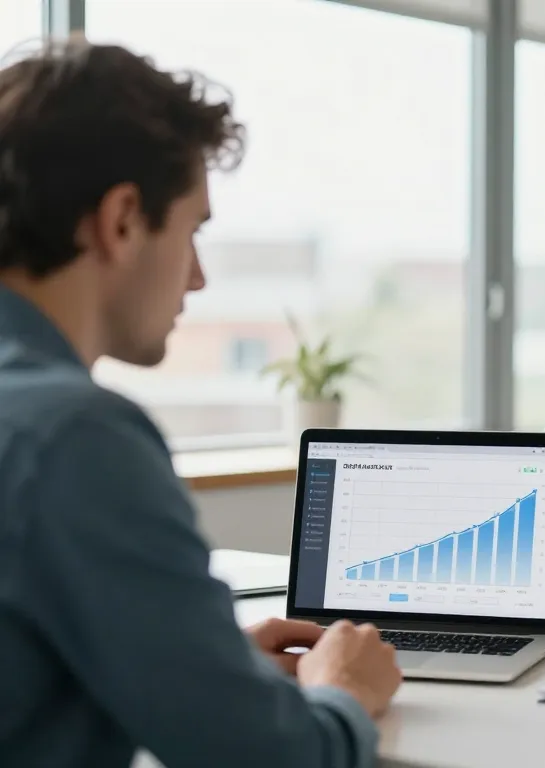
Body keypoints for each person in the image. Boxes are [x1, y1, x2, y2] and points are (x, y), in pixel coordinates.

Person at [0, 40, 401, 768]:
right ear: (123, 220)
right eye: (193, 230)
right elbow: (275, 759)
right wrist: (345, 691)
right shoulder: (76, 436)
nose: (198, 277)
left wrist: (200, 663)